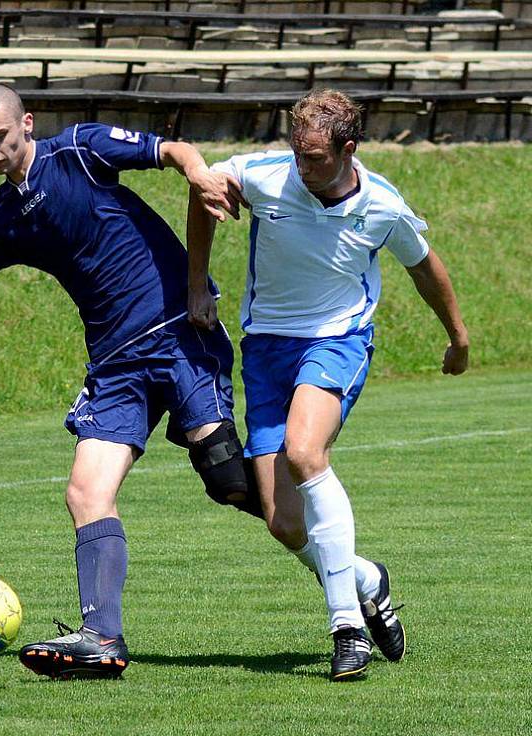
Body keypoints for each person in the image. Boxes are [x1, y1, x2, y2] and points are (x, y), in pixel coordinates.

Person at [0, 83, 256, 680]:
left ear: (27, 124)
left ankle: (345, 566)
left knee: (227, 478)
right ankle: (103, 637)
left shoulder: (81, 151)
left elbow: (173, 150)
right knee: (85, 493)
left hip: (177, 327)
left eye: (0, 137)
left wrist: (199, 173)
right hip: (115, 361)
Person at [186, 89, 469, 681]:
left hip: (337, 341)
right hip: (266, 350)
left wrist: (457, 337)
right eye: (297, 153)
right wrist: (196, 284)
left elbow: (426, 268)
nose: (303, 166)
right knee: (284, 524)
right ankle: (366, 579)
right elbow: (205, 190)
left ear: (348, 149)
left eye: (315, 157)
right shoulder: (265, 175)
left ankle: (347, 627)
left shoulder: (382, 206)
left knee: (305, 451)